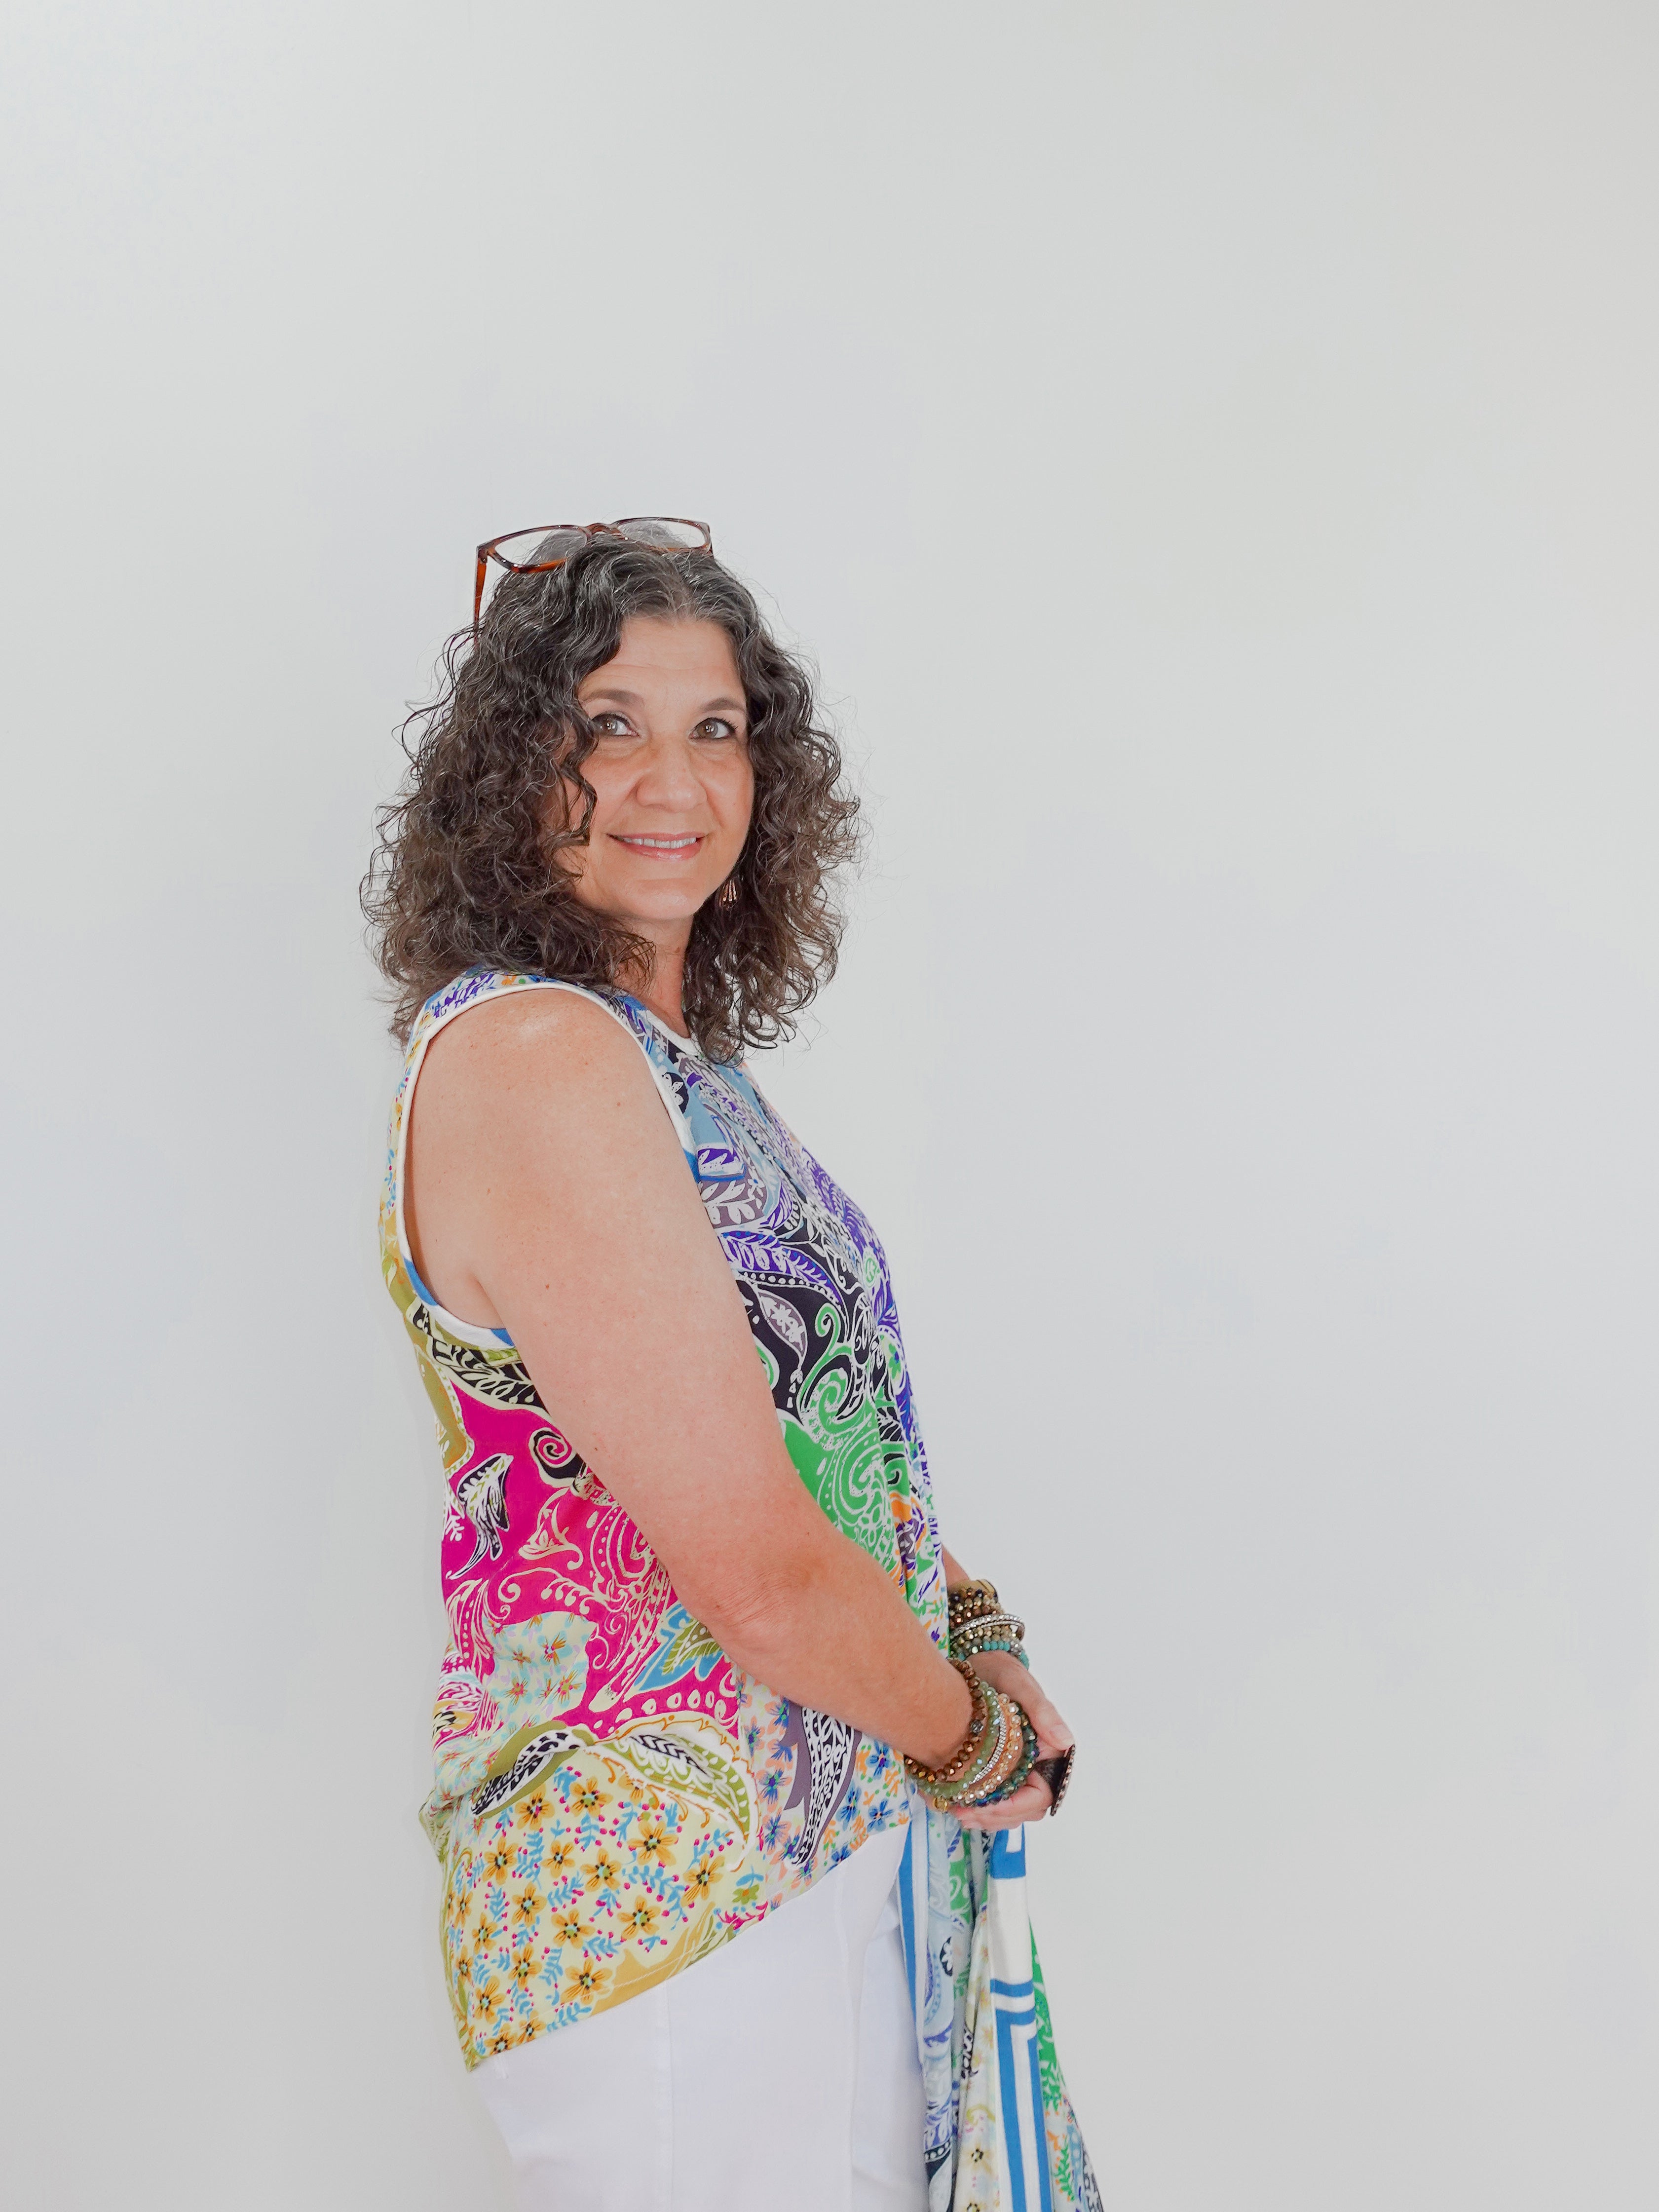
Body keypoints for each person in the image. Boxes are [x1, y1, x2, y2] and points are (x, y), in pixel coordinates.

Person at [364, 519, 1098, 2212]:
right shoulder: (540, 1058)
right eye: (605, 724)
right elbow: (758, 1574)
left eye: (715, 726)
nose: (668, 777)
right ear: (513, 763)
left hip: (798, 1864)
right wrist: (973, 1735)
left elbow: (812, 1458)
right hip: (670, 1910)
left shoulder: (665, 1063)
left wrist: (959, 1610)